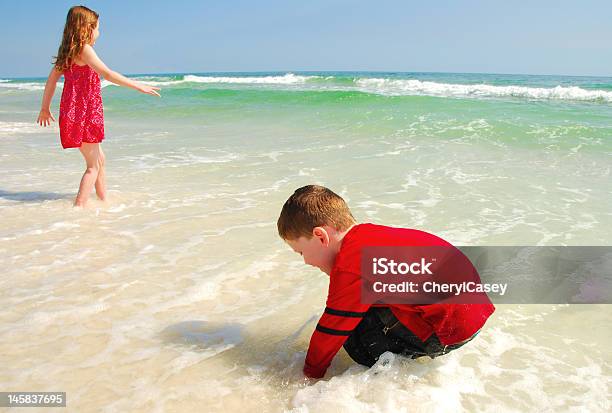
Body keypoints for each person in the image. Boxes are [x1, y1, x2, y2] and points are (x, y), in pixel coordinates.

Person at [277, 185, 495, 379]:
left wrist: (308, 375)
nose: (305, 261)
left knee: (353, 335)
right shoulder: (371, 236)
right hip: (475, 313)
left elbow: (330, 332)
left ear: (321, 237)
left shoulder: (351, 263)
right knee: (364, 304)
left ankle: (393, 380)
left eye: (301, 252)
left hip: (449, 331)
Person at [37, 5, 160, 207]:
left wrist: (45, 108)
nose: (99, 33)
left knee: (100, 158)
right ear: (86, 28)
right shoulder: (85, 51)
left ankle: (104, 200)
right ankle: (78, 208)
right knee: (92, 166)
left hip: (72, 114)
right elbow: (108, 74)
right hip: (85, 115)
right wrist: (138, 86)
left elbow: (51, 81)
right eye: (97, 28)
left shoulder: (66, 52)